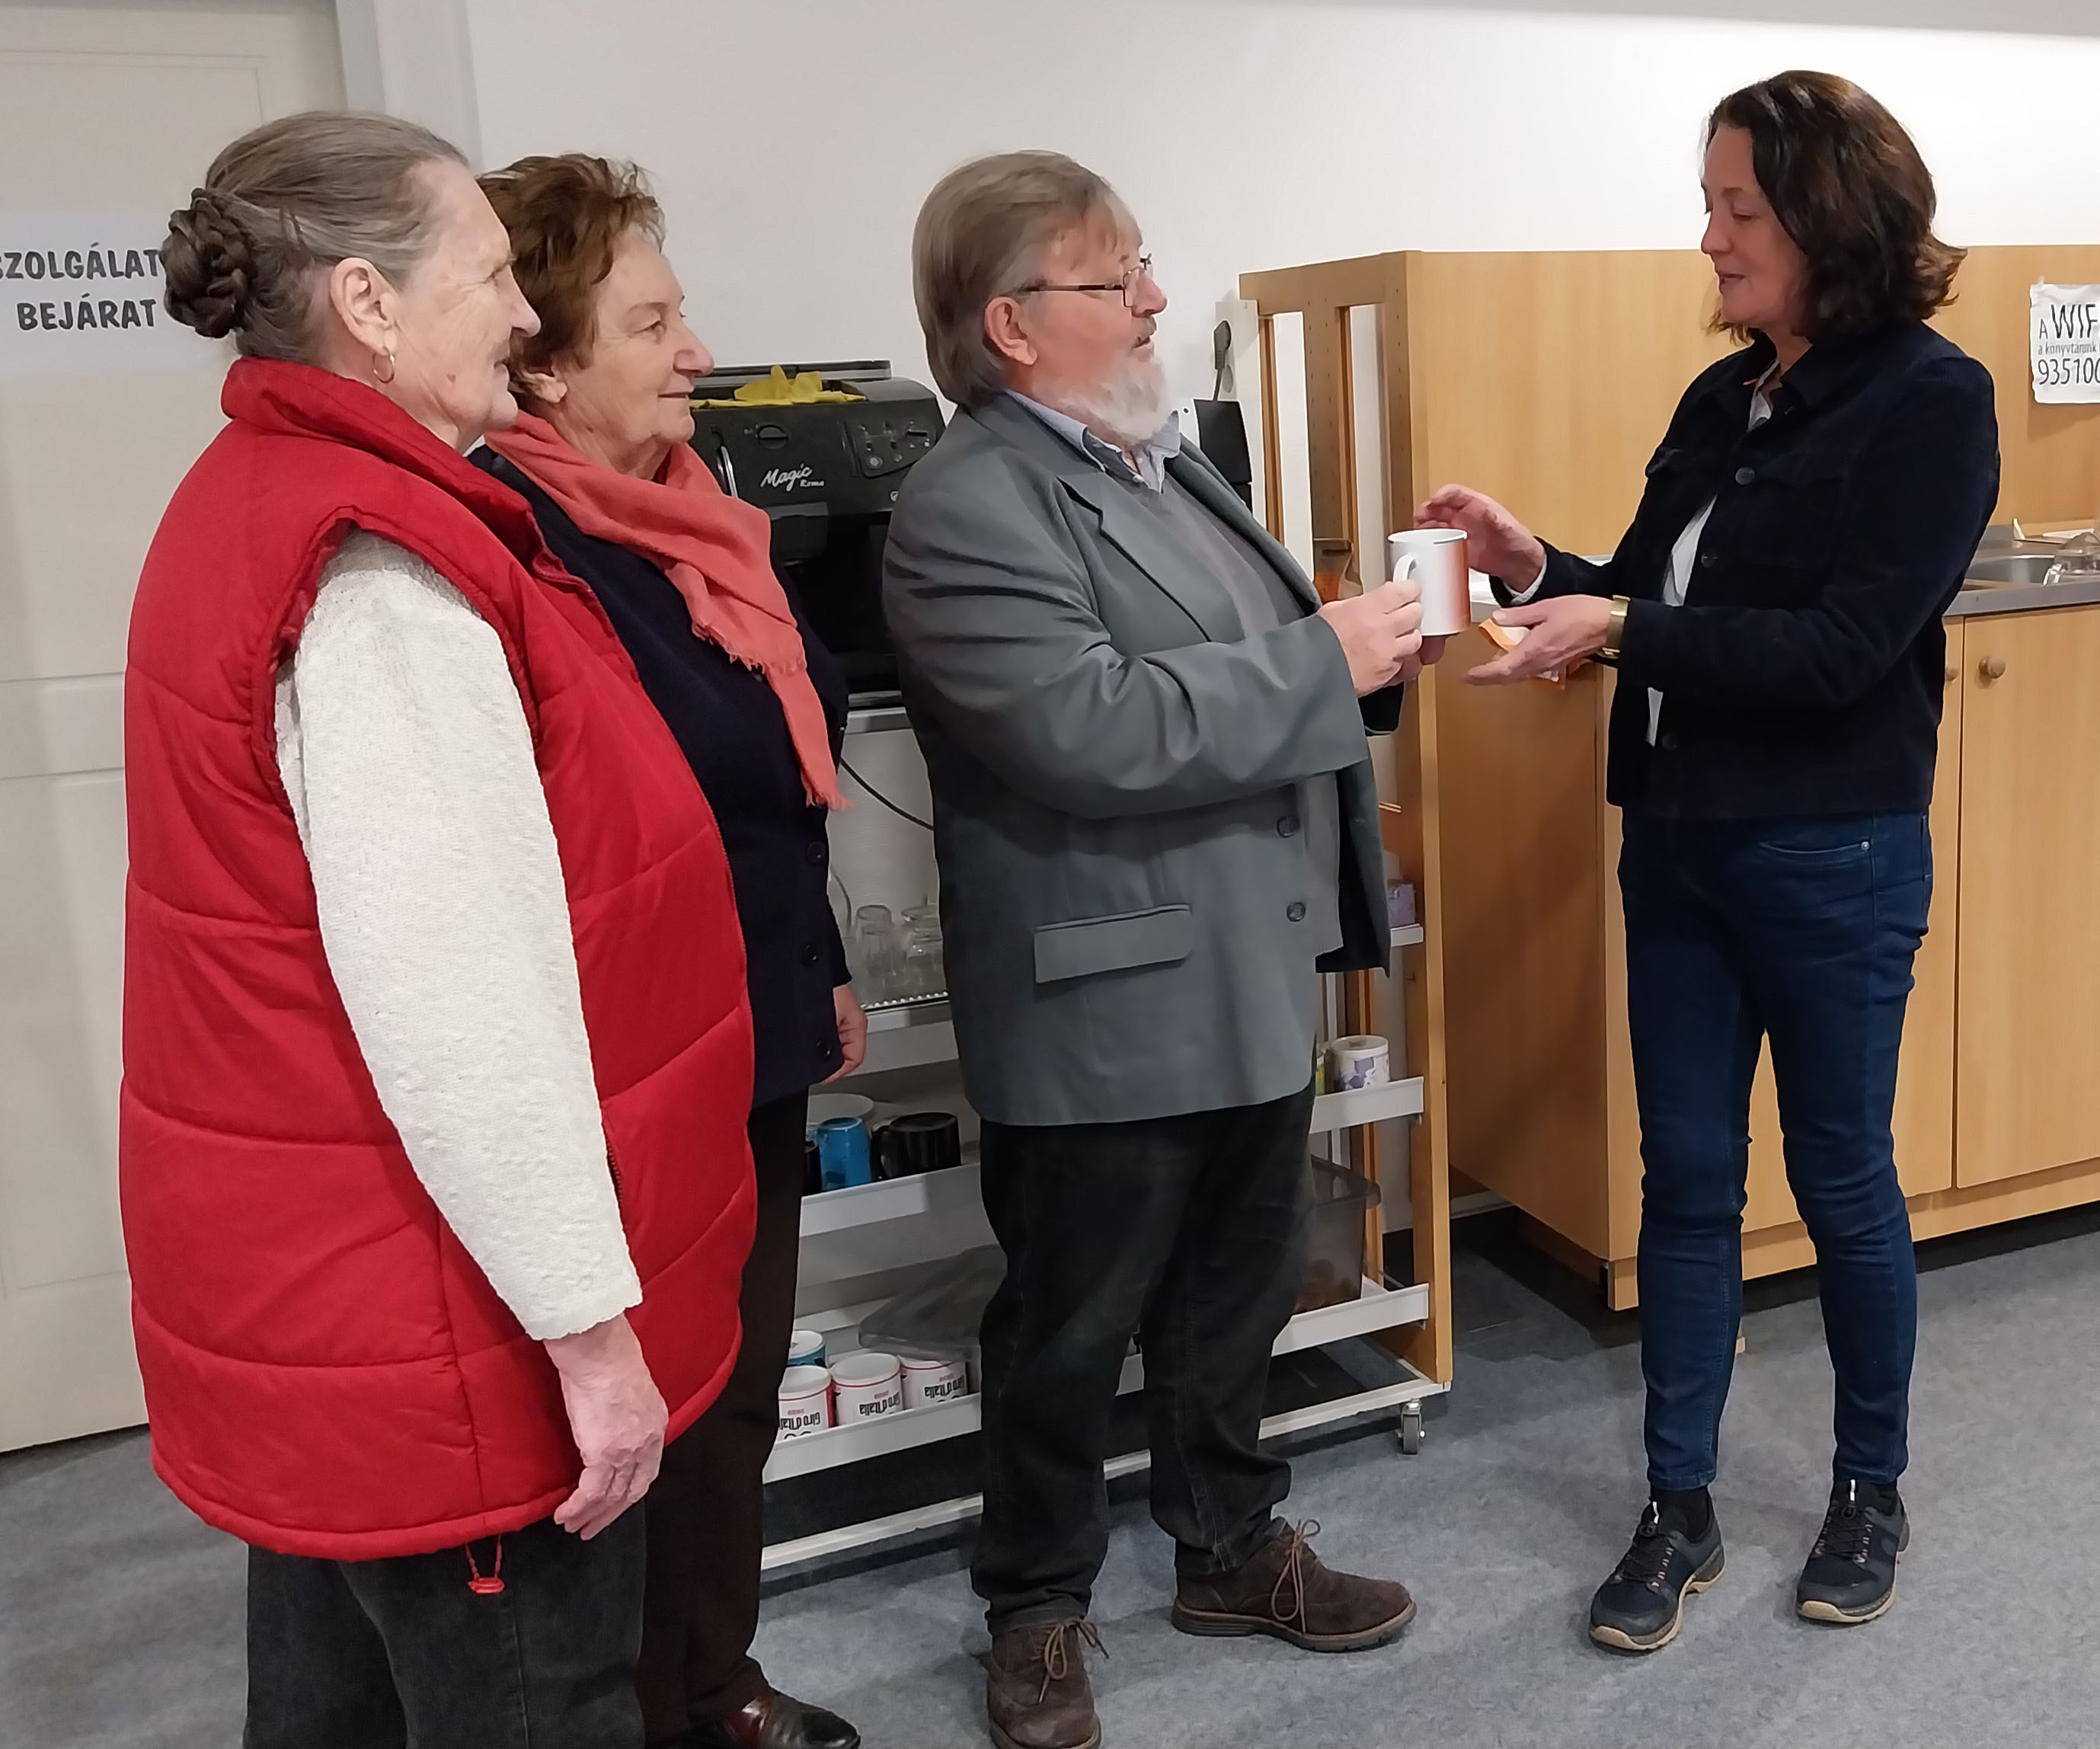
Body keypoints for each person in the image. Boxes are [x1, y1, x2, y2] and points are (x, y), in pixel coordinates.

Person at [124, 113, 756, 1746]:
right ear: (368, 302)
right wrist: (591, 1342)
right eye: (487, 274)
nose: (525, 314)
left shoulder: (259, 495)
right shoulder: (377, 572)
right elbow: (458, 1006)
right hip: (442, 1332)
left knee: (333, 1708)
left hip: (333, 1305)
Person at [1421, 72, 1999, 1653]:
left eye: (1737, 208)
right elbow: (1650, 596)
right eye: (1709, 203)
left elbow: (1838, 648)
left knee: (1840, 1175)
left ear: (1828, 214)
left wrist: (1617, 621)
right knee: (1683, 1182)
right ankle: (1675, 1505)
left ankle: (1866, 1490)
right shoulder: (1719, 398)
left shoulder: (1930, 401)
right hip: (1674, 846)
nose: (1709, 236)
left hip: (1830, 853)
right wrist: (1535, 566)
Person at [885, 150, 1444, 1749]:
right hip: (1104, 1000)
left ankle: (1229, 1547)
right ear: (1009, 323)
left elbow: (1244, 667)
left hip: (1245, 972)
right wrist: (1320, 657)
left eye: (1141, 265)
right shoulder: (965, 504)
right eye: (1112, 274)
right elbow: (1089, 726)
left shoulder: (1158, 463)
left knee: (1232, 1294)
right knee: (1069, 1329)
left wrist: (1367, 655)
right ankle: (1033, 1609)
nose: (1151, 297)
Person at [471, 153, 864, 1749]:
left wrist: (818, 965)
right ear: (542, 365)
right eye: (650, 324)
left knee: (737, 1398)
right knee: (654, 1414)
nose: (696, 351)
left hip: (751, 1026)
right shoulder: (520, 547)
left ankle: (711, 1683)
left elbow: (779, 781)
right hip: (625, 1065)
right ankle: (658, 1706)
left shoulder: (697, 526)